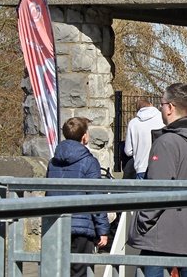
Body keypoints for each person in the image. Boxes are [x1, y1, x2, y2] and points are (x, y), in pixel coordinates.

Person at [128, 83, 187, 277]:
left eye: (162, 104)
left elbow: (156, 193)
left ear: (170, 107)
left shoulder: (166, 143)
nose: (161, 108)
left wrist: (141, 224)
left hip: (161, 240)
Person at [46, 117, 110, 277]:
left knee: (58, 270)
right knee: (81, 271)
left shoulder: (53, 162)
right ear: (84, 136)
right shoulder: (89, 162)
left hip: (57, 224)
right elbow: (96, 198)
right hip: (82, 226)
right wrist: (102, 229)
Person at [124, 97, 165, 179]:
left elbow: (128, 151)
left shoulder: (133, 123)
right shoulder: (163, 119)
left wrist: (138, 150)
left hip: (141, 167)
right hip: (160, 166)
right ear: (151, 105)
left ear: (138, 109)